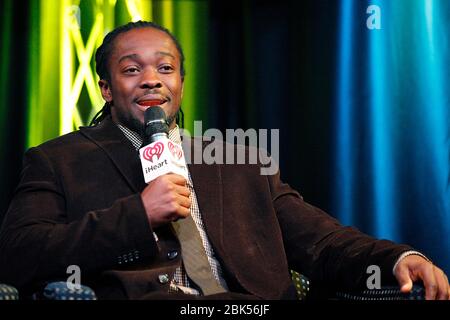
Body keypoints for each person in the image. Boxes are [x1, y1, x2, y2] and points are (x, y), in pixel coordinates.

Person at [0, 21, 448, 300]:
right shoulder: (58, 159)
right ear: (105, 87)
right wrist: (136, 215)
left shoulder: (238, 161)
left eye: (166, 68)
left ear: (181, 81)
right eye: (132, 69)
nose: (151, 80)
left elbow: (322, 240)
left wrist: (395, 258)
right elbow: (18, 257)